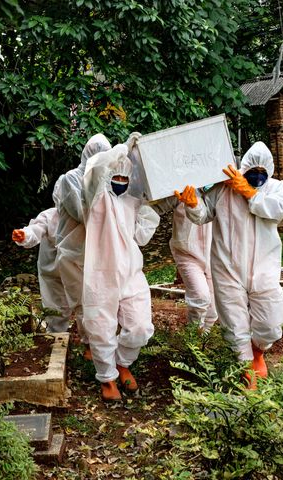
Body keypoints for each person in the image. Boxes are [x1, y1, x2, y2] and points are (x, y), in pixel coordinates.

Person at [176, 141, 283, 389]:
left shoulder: (275, 188)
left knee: (271, 323)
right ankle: (247, 370)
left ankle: (258, 350)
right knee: (234, 324)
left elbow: (278, 210)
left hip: (264, 266)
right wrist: (192, 203)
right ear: (243, 166)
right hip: (227, 266)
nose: (257, 173)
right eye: (252, 168)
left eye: (262, 169)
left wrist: (249, 193)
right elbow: (203, 215)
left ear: (268, 170)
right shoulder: (222, 189)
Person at [82, 143, 160, 401]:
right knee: (101, 326)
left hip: (131, 271)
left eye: (124, 177)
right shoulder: (95, 197)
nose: (119, 181)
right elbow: (96, 169)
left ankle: (122, 363)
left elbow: (141, 236)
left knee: (140, 326)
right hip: (101, 272)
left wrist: (148, 209)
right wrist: (124, 148)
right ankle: (107, 379)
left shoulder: (131, 201)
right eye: (115, 176)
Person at [54, 134, 112, 359]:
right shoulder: (71, 179)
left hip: (97, 251)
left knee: (99, 298)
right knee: (81, 300)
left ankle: (101, 343)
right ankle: (89, 344)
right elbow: (82, 213)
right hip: (72, 251)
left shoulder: (107, 180)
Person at [152, 196, 218, 334]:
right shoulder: (183, 188)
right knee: (200, 296)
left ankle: (201, 344)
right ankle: (193, 336)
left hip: (215, 255)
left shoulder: (220, 189)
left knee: (214, 308)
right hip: (187, 254)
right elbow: (156, 207)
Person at [11, 184, 71, 333]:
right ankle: (58, 337)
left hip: (76, 269)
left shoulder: (82, 217)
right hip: (51, 270)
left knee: (87, 305)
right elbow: (36, 229)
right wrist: (24, 235)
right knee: (55, 308)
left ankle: (87, 342)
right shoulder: (50, 216)